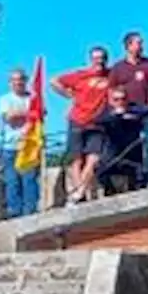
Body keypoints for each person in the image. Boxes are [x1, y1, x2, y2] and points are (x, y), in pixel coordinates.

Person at [51, 47, 111, 203]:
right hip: (77, 119)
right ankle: (80, 194)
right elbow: (54, 81)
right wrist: (67, 94)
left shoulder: (111, 75)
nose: (99, 61)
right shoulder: (80, 75)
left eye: (102, 57)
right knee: (75, 160)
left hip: (98, 122)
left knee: (94, 158)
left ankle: (79, 191)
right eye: (96, 58)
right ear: (91, 60)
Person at [107, 32, 148, 185]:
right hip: (127, 113)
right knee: (131, 147)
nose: (141, 46)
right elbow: (110, 90)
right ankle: (136, 179)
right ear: (128, 46)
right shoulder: (118, 68)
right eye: (138, 43)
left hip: (147, 110)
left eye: (142, 43)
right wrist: (117, 109)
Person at [0, 68, 40, 219]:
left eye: (20, 79)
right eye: (14, 80)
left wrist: (28, 115)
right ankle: (14, 213)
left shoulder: (33, 99)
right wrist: (30, 114)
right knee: (12, 181)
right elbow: (9, 117)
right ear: (10, 83)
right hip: (10, 145)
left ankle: (31, 212)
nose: (18, 82)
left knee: (30, 181)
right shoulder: (5, 99)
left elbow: (41, 114)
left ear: (25, 81)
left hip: (29, 145)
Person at [95, 87, 147, 194]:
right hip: (114, 156)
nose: (120, 102)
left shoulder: (134, 110)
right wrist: (117, 116)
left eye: (123, 99)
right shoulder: (106, 115)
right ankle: (110, 192)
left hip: (132, 155)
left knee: (139, 176)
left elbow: (147, 111)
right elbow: (99, 121)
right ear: (111, 101)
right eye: (116, 99)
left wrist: (129, 116)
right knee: (100, 171)